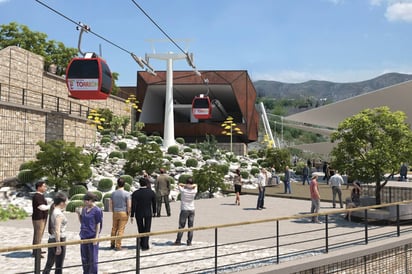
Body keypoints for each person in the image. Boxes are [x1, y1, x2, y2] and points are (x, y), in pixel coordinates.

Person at [77, 192, 103, 274]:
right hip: (84, 235)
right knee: (84, 257)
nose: (85, 202)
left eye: (86, 201)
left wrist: (96, 237)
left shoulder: (97, 210)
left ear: (91, 200)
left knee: (93, 258)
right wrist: (78, 214)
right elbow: (82, 222)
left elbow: (98, 224)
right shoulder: (84, 209)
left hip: (92, 236)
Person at [43, 193, 68, 274]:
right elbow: (57, 230)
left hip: (52, 239)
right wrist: (58, 246)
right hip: (59, 239)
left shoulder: (54, 211)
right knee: (59, 265)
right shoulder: (58, 214)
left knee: (49, 263)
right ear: (61, 203)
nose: (66, 203)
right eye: (65, 202)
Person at [131, 178, 157, 251]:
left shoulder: (135, 193)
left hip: (138, 212)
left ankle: (142, 242)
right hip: (148, 212)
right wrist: (155, 212)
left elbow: (133, 205)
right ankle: (145, 244)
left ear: (140, 184)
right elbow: (154, 203)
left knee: (140, 228)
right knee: (147, 228)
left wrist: (132, 215)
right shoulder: (151, 192)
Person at [174, 177, 198, 246]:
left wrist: (185, 185)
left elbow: (179, 184)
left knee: (181, 226)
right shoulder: (194, 191)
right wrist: (190, 185)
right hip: (192, 209)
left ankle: (178, 240)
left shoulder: (183, 191)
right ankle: (189, 241)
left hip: (184, 209)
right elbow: (196, 185)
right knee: (191, 227)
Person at [110, 178, 131, 251]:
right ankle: (118, 245)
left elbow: (111, 203)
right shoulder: (127, 193)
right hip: (123, 212)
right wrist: (128, 212)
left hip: (115, 211)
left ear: (117, 184)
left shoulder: (113, 193)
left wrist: (113, 211)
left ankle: (112, 243)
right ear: (124, 184)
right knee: (121, 229)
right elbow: (129, 205)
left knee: (114, 228)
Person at [32, 180, 49, 258]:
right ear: (39, 187)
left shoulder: (41, 195)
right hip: (38, 218)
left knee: (40, 234)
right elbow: (41, 207)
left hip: (42, 218)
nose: (45, 187)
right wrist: (51, 207)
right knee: (38, 235)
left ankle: (37, 249)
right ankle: (36, 252)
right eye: (44, 186)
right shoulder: (37, 196)